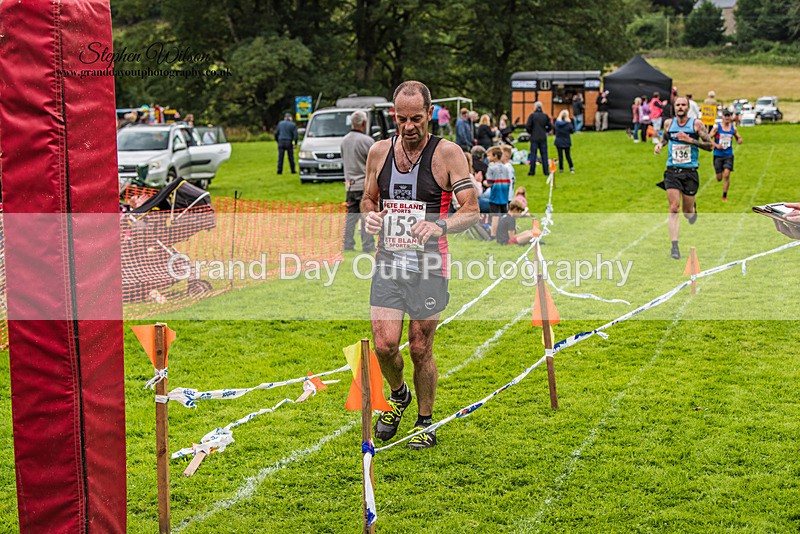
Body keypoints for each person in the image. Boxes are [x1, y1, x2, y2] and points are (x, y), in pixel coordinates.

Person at [361, 81, 479, 450]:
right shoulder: (379, 152)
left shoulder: (448, 154)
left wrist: (439, 224)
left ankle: (425, 422)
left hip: (430, 265)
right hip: (389, 262)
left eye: (416, 118)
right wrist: (370, 217)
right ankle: (398, 395)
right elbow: (367, 199)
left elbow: (472, 211)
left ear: (430, 113)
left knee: (419, 349)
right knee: (384, 345)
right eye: (401, 119)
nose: (408, 126)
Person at [654, 96, 713, 260]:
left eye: (683, 105)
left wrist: (690, 140)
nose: (680, 107)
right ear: (674, 107)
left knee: (687, 213)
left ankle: (693, 209)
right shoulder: (668, 124)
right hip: (672, 170)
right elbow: (666, 138)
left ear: (688, 107)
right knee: (674, 207)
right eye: (678, 105)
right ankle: (674, 246)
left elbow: (709, 146)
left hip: (690, 172)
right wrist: (660, 144)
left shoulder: (696, 125)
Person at [342, 110, 376, 252]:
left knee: (351, 216)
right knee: (366, 216)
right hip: (365, 186)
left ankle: (347, 244)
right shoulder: (368, 141)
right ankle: (367, 245)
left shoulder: (344, 141)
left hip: (350, 185)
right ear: (364, 123)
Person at [708, 109, 743, 202]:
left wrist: (739, 139)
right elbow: (708, 138)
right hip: (718, 155)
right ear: (722, 117)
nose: (727, 117)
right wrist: (716, 145)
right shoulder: (717, 127)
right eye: (725, 116)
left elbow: (738, 137)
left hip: (728, 155)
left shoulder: (733, 128)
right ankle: (719, 173)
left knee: (727, 175)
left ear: (731, 117)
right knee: (719, 178)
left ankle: (724, 196)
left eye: (729, 116)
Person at [486, 146, 511, 236]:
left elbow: (489, 183)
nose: (487, 158)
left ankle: (493, 235)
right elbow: (508, 182)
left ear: (495, 156)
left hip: (495, 195)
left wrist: (484, 182)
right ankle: (507, 232)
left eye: (489, 156)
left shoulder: (491, 168)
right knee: (505, 214)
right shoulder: (506, 168)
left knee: (495, 216)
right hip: (504, 195)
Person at [525, 101, 552, 176]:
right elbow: (550, 126)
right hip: (543, 137)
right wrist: (545, 131)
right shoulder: (545, 116)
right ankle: (546, 171)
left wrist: (531, 132)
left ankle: (532, 171)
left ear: (535, 107)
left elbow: (528, 126)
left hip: (534, 137)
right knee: (544, 155)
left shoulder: (532, 116)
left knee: (533, 155)